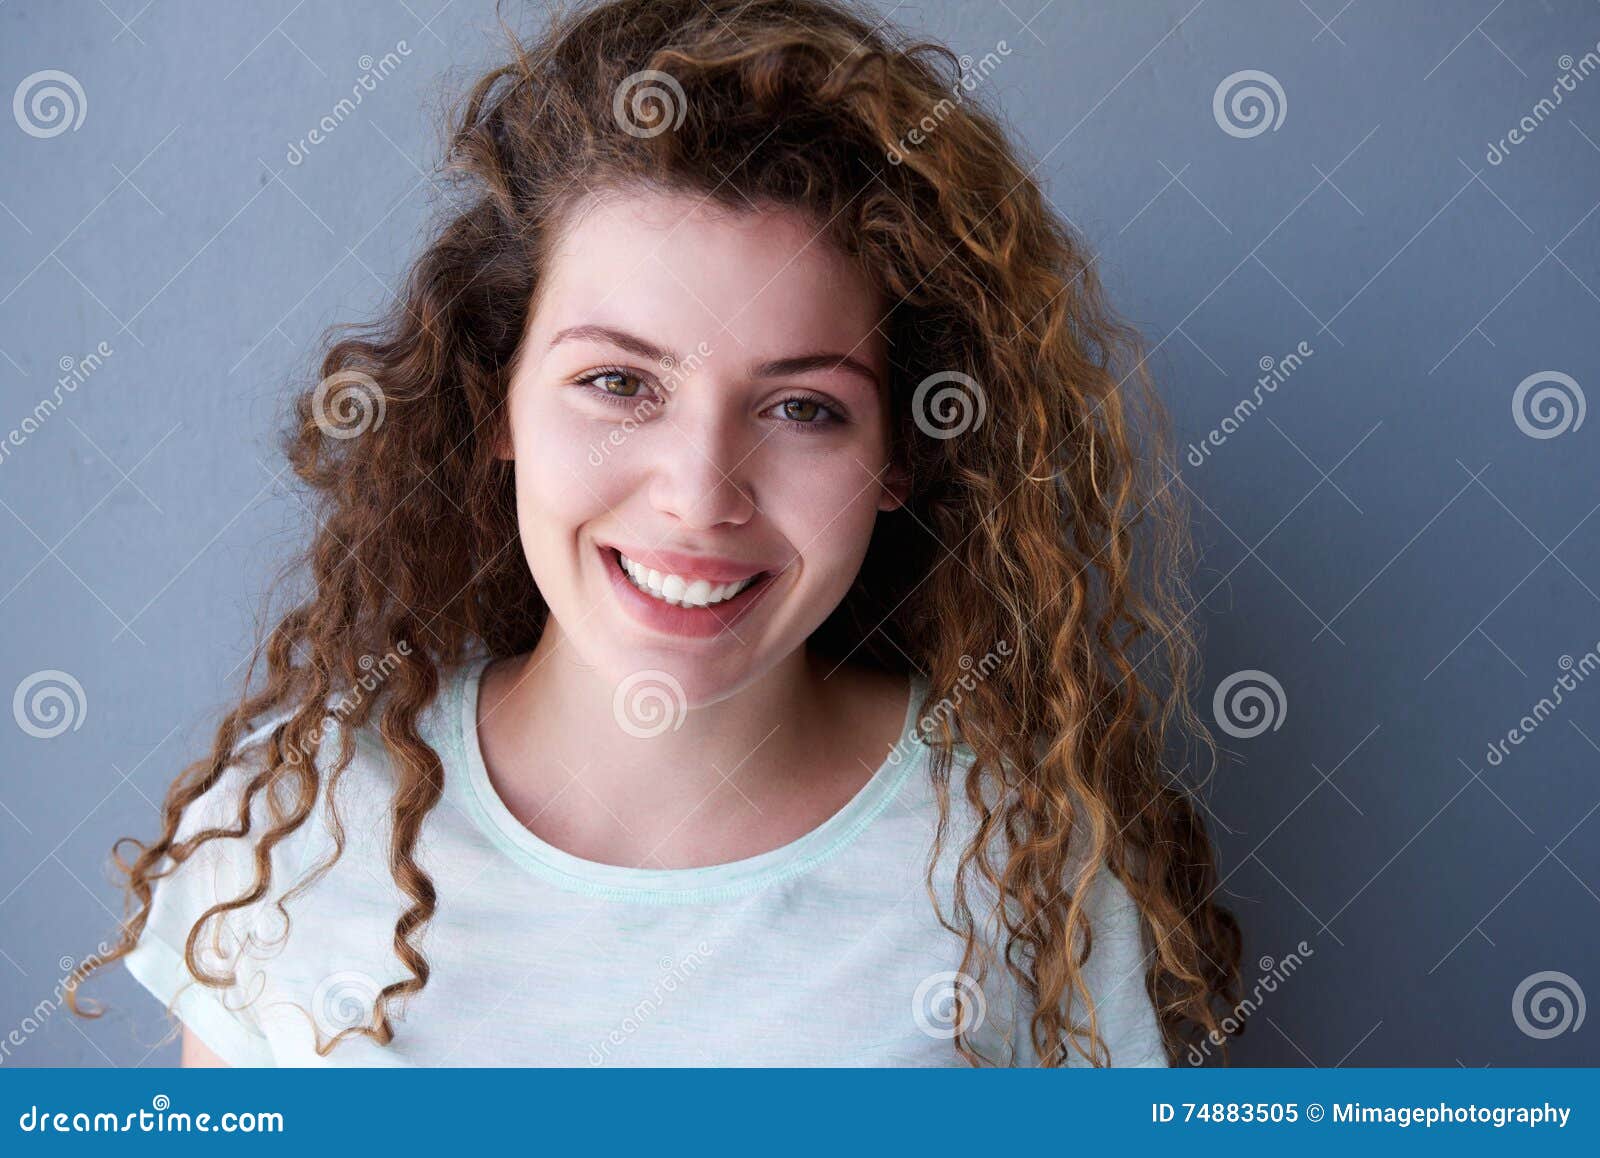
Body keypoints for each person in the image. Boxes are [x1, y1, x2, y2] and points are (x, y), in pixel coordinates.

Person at [69, 0, 1241, 1067]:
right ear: (495, 405)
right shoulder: (291, 830)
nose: (698, 494)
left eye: (801, 407)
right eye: (619, 383)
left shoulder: (1026, 864)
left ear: (903, 457)